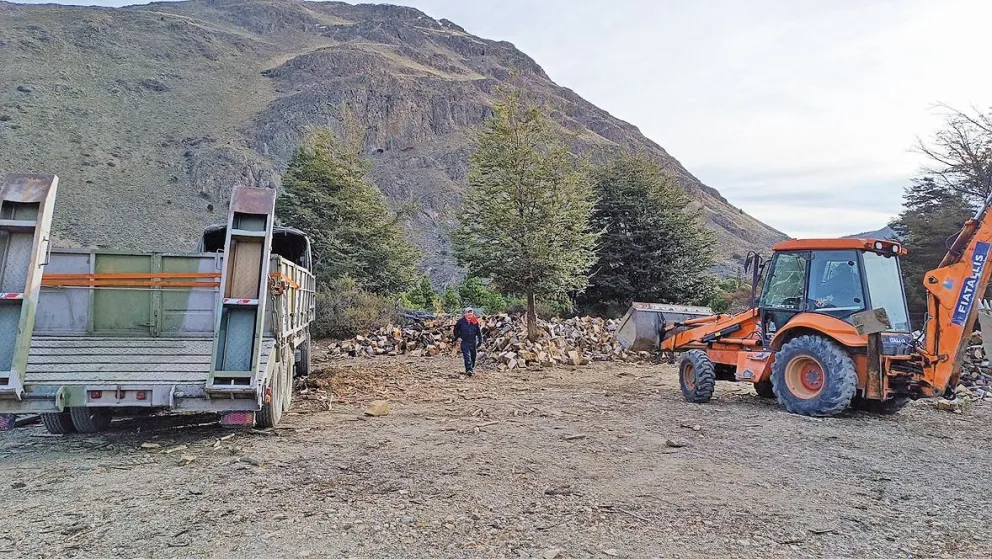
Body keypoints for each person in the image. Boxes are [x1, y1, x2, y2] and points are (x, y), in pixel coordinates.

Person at [453, 307, 483, 376]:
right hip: (465, 341)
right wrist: (458, 337)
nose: (470, 314)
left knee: (473, 356)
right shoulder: (461, 321)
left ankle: (471, 368)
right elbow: (455, 330)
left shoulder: (475, 322)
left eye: (471, 312)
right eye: (468, 312)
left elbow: (478, 332)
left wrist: (480, 340)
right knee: (467, 356)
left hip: (473, 341)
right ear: (465, 313)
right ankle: (469, 369)